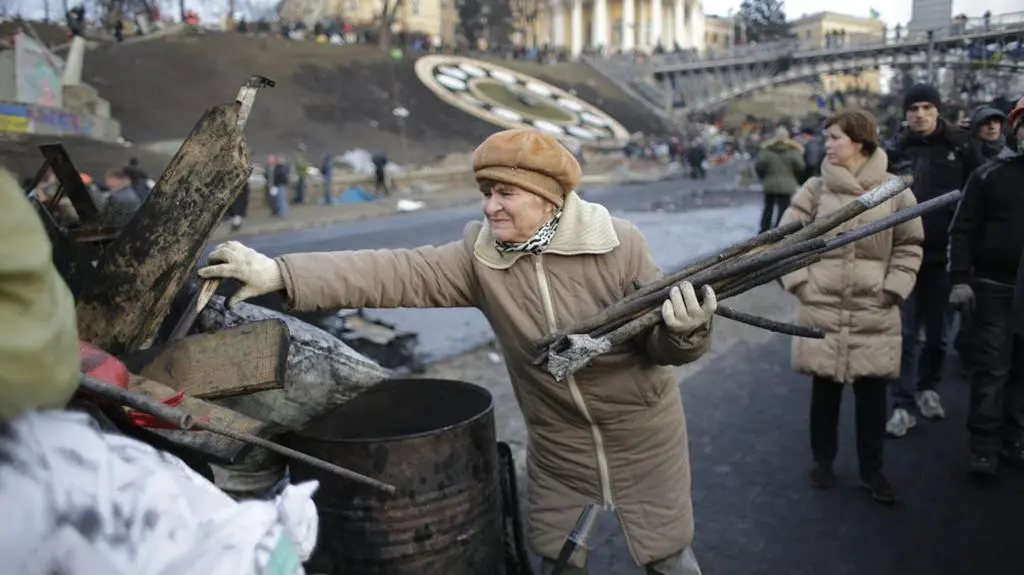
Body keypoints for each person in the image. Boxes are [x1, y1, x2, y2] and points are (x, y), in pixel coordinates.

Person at [199, 128, 718, 575]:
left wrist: (685, 331)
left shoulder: (618, 245)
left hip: (644, 436)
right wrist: (280, 273)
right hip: (560, 444)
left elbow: (662, 344)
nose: (490, 206)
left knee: (668, 558)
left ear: (547, 199)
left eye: (506, 193)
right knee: (558, 560)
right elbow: (392, 271)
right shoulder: (481, 260)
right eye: (487, 191)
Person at [778, 110, 924, 505]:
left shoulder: (895, 191)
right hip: (822, 305)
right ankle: (822, 461)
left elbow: (910, 245)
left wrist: (893, 289)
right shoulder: (814, 190)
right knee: (824, 391)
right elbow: (785, 242)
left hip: (874, 306)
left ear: (859, 141)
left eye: (835, 137)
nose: (827, 145)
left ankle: (872, 470)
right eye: (827, 138)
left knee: (872, 395)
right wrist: (801, 284)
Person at [884, 83, 976, 437]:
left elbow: (974, 201)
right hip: (903, 254)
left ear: (938, 110)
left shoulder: (961, 148)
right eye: (913, 108)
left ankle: (928, 388)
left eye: (926, 107)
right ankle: (902, 404)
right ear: (906, 114)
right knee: (904, 334)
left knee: (938, 335)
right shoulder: (893, 151)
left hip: (944, 257)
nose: (920, 114)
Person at [947, 97, 1024, 475]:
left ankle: (1015, 438)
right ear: (1017, 129)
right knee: (991, 368)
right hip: (995, 286)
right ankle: (984, 446)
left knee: (1022, 370)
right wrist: (960, 279)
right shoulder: (990, 175)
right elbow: (962, 230)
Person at [755, 126, 805, 232]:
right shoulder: (793, 150)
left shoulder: (767, 150)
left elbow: (759, 166)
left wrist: (764, 177)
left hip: (770, 184)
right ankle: (780, 229)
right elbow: (800, 166)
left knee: (768, 208)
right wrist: (794, 176)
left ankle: (764, 229)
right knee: (784, 208)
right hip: (787, 184)